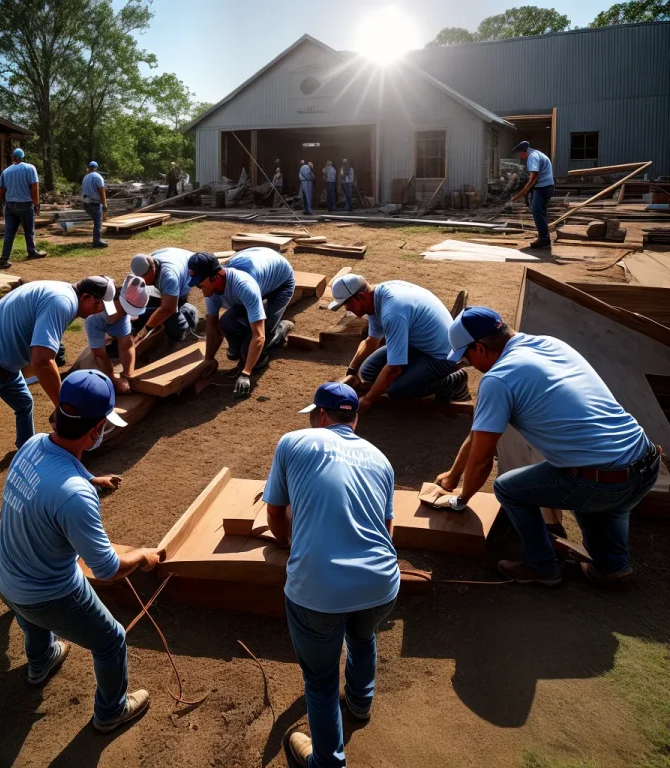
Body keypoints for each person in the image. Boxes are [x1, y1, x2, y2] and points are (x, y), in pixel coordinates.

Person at [435, 307, 660, 587]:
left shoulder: (498, 378)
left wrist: (461, 499)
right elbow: (479, 433)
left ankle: (540, 566)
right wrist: (453, 475)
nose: (469, 365)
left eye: (466, 358)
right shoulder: (551, 344)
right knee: (598, 499)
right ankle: (612, 567)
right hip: (646, 463)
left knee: (508, 488)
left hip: (602, 482)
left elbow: (482, 461)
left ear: (480, 347)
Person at [0, 369, 160, 733]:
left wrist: (91, 479)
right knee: (112, 640)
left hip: (6, 577)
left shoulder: (34, 444)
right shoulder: (74, 496)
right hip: (47, 593)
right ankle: (111, 710)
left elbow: (56, 475)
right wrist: (144, 556)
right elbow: (107, 569)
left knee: (32, 617)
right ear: (96, 430)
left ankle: (41, 662)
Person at [264, 382, 399, 768]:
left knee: (321, 682)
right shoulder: (381, 459)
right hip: (381, 583)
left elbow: (275, 512)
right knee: (362, 636)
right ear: (353, 418)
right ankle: (359, 704)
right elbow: (388, 528)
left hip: (317, 591)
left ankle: (327, 762)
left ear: (321, 416)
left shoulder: (294, 441)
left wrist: (289, 542)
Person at [0, 276, 116, 531]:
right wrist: (63, 408)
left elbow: (37, 356)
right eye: (98, 305)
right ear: (86, 297)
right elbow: (42, 361)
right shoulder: (62, 302)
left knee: (25, 404)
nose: (100, 312)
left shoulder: (62, 294)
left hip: (4, 366)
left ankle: (27, 454)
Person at [330, 274, 469, 412]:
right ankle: (415, 376)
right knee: (368, 371)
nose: (347, 309)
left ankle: (454, 380)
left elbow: (394, 368)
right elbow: (371, 341)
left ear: (360, 296)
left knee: (397, 390)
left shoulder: (392, 312)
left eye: (347, 303)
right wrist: (352, 372)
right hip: (420, 343)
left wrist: (368, 400)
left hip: (444, 355)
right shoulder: (376, 297)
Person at [187, 248, 295, 397]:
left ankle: (280, 330)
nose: (197, 288)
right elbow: (212, 325)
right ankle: (243, 350)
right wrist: (209, 359)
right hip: (259, 274)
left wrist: (246, 373)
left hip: (280, 284)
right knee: (226, 322)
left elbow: (259, 336)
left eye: (199, 284)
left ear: (214, 277)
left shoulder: (244, 286)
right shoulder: (212, 290)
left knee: (256, 344)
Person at [85, 274, 149, 394]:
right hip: (97, 332)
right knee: (91, 375)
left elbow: (126, 347)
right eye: (125, 311)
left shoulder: (122, 314)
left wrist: (127, 375)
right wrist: (114, 381)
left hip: (108, 332)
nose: (125, 315)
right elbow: (99, 354)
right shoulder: (95, 318)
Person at [130, 249, 199, 342]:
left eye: (145, 275)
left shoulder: (169, 277)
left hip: (188, 268)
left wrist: (144, 330)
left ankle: (189, 311)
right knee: (145, 308)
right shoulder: (138, 271)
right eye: (138, 277)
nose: (141, 279)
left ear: (153, 268)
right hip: (171, 256)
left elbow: (167, 310)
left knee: (176, 333)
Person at [0, 148, 47, 269]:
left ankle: (4, 258)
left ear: (13, 157)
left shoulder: (6, 171)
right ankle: (31, 252)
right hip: (25, 204)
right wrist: (36, 204)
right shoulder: (30, 168)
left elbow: (2, 190)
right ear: (22, 156)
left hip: (10, 205)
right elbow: (34, 188)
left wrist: (5, 202)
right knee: (29, 231)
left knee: (9, 233)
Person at [510, 140, 555, 249]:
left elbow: (533, 177)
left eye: (519, 154)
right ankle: (544, 237)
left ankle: (544, 239)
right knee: (540, 212)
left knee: (537, 211)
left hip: (543, 187)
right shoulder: (536, 154)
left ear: (523, 151)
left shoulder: (533, 157)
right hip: (545, 186)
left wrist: (520, 195)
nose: (519, 156)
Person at [82, 160, 108, 249]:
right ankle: (97, 241)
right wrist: (104, 204)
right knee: (98, 222)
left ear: (89, 167)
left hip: (85, 203)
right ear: (96, 168)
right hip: (94, 203)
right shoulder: (98, 177)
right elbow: (102, 191)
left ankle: (97, 239)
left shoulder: (85, 177)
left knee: (96, 221)